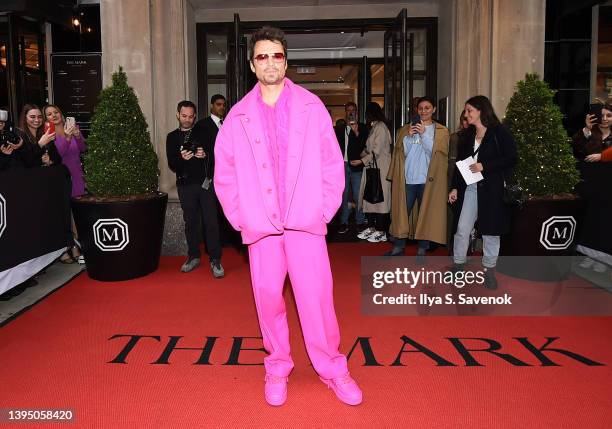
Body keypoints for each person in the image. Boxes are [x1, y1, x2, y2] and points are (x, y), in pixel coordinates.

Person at [214, 26, 362, 407]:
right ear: (252, 64)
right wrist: (242, 217)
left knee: (316, 300)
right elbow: (224, 174)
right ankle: (277, 367)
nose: (270, 62)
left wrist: (323, 210)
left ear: (286, 60)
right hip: (262, 229)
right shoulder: (237, 116)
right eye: (262, 56)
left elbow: (332, 164)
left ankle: (333, 368)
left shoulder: (312, 106)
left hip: (305, 226)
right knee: (268, 301)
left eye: (276, 55)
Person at [448, 95, 517, 289]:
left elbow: (511, 158)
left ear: (481, 111)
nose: (466, 114)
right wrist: (454, 187)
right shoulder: (467, 135)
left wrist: (484, 166)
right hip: (470, 188)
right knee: (462, 229)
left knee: (491, 232)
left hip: (492, 190)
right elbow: (460, 164)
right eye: (466, 111)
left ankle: (489, 271)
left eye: (470, 110)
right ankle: (458, 266)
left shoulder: (499, 132)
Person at [385, 96, 450, 260]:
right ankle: (398, 247)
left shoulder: (441, 131)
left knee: (426, 214)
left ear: (434, 109)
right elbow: (401, 154)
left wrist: (424, 136)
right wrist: (408, 137)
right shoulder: (406, 129)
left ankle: (422, 250)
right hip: (408, 179)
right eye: (420, 108)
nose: (423, 111)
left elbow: (436, 155)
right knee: (401, 213)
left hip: (429, 181)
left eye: (427, 108)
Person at [166, 100, 224, 277]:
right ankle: (193, 256)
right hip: (185, 186)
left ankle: (215, 259)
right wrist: (182, 158)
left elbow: (215, 158)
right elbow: (172, 164)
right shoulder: (172, 137)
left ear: (195, 116)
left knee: (211, 222)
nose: (187, 120)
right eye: (184, 116)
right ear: (178, 115)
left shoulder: (204, 133)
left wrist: (204, 155)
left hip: (205, 184)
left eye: (191, 116)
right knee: (190, 222)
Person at [571, 100, 612, 273]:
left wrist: (602, 156)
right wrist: (586, 129)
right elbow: (576, 151)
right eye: (601, 115)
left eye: (609, 115)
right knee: (590, 220)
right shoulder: (589, 133)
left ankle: (603, 259)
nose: (604, 119)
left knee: (606, 222)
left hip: (609, 188)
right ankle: (589, 256)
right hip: (590, 187)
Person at [43, 104, 87, 263]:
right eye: (49, 114)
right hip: (62, 178)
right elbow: (58, 155)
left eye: (56, 112)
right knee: (66, 214)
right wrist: (67, 138)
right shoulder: (49, 134)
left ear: (61, 114)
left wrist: (77, 136)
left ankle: (77, 245)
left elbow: (83, 148)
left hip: (77, 176)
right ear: (46, 119)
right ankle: (71, 246)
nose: (53, 115)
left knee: (77, 214)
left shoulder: (72, 126)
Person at [355, 102, 392, 243]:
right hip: (373, 169)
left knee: (379, 199)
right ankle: (372, 228)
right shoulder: (376, 127)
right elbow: (369, 148)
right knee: (370, 198)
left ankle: (381, 231)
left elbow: (376, 151)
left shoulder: (380, 127)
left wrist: (361, 161)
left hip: (380, 169)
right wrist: (362, 155)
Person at [335, 102, 368, 233]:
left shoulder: (363, 128)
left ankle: (360, 221)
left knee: (358, 195)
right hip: (342, 166)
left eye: (353, 110)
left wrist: (356, 132)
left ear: (357, 112)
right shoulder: (339, 129)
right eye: (348, 110)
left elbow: (365, 147)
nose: (350, 113)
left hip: (356, 166)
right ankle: (343, 222)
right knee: (343, 195)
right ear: (345, 112)